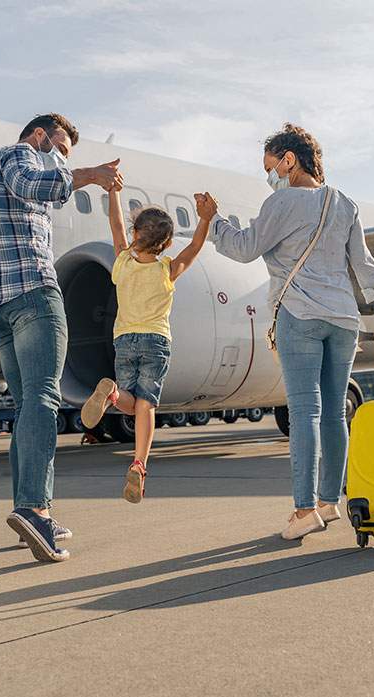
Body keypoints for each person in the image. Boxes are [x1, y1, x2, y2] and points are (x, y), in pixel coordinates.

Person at [210, 123, 374, 540]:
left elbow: (244, 248)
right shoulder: (344, 203)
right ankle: (328, 502)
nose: (270, 178)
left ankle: (304, 511)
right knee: (336, 412)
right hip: (343, 321)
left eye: (271, 167)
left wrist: (213, 222)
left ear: (289, 159)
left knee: (305, 412)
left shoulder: (280, 202)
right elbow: (365, 267)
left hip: (299, 316)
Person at [0, 113, 122, 563]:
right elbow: (34, 185)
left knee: (28, 407)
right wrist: (90, 176)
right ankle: (35, 508)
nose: (62, 159)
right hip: (31, 294)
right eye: (61, 149)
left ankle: (30, 509)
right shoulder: (19, 155)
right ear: (41, 136)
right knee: (44, 400)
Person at [80, 184, 217, 502]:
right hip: (156, 340)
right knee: (146, 405)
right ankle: (139, 464)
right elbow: (195, 247)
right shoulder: (167, 270)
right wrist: (205, 219)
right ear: (166, 243)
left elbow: (115, 225)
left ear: (136, 232)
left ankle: (112, 393)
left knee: (129, 400)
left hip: (125, 339)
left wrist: (113, 192)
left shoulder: (122, 263)